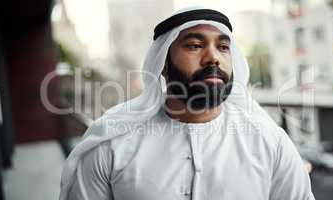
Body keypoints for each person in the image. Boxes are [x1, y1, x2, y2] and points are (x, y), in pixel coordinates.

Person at [59, 7, 315, 200]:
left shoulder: (270, 142)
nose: (213, 58)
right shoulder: (111, 145)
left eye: (223, 47)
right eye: (194, 45)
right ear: (162, 65)